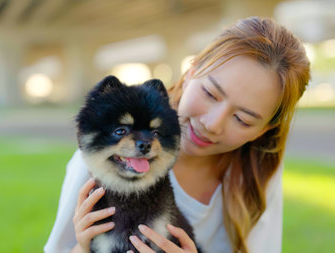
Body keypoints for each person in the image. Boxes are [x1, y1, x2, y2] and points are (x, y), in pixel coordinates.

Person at [44, 16, 310, 253]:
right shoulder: (107, 159)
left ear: (263, 131)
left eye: (241, 119)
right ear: (191, 71)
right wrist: (83, 246)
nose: (212, 124)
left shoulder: (259, 170)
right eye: (210, 93)